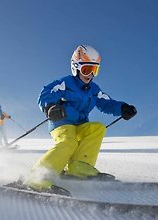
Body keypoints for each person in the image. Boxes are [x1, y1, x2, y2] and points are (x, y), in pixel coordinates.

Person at [25, 45, 137, 193]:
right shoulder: (66, 83)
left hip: (81, 124)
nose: (90, 75)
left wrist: (122, 108)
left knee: (98, 128)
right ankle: (38, 177)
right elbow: (47, 93)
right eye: (86, 70)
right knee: (69, 142)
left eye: (94, 70)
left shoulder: (94, 89)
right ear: (76, 68)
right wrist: (50, 107)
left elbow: (106, 103)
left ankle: (79, 167)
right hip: (61, 121)